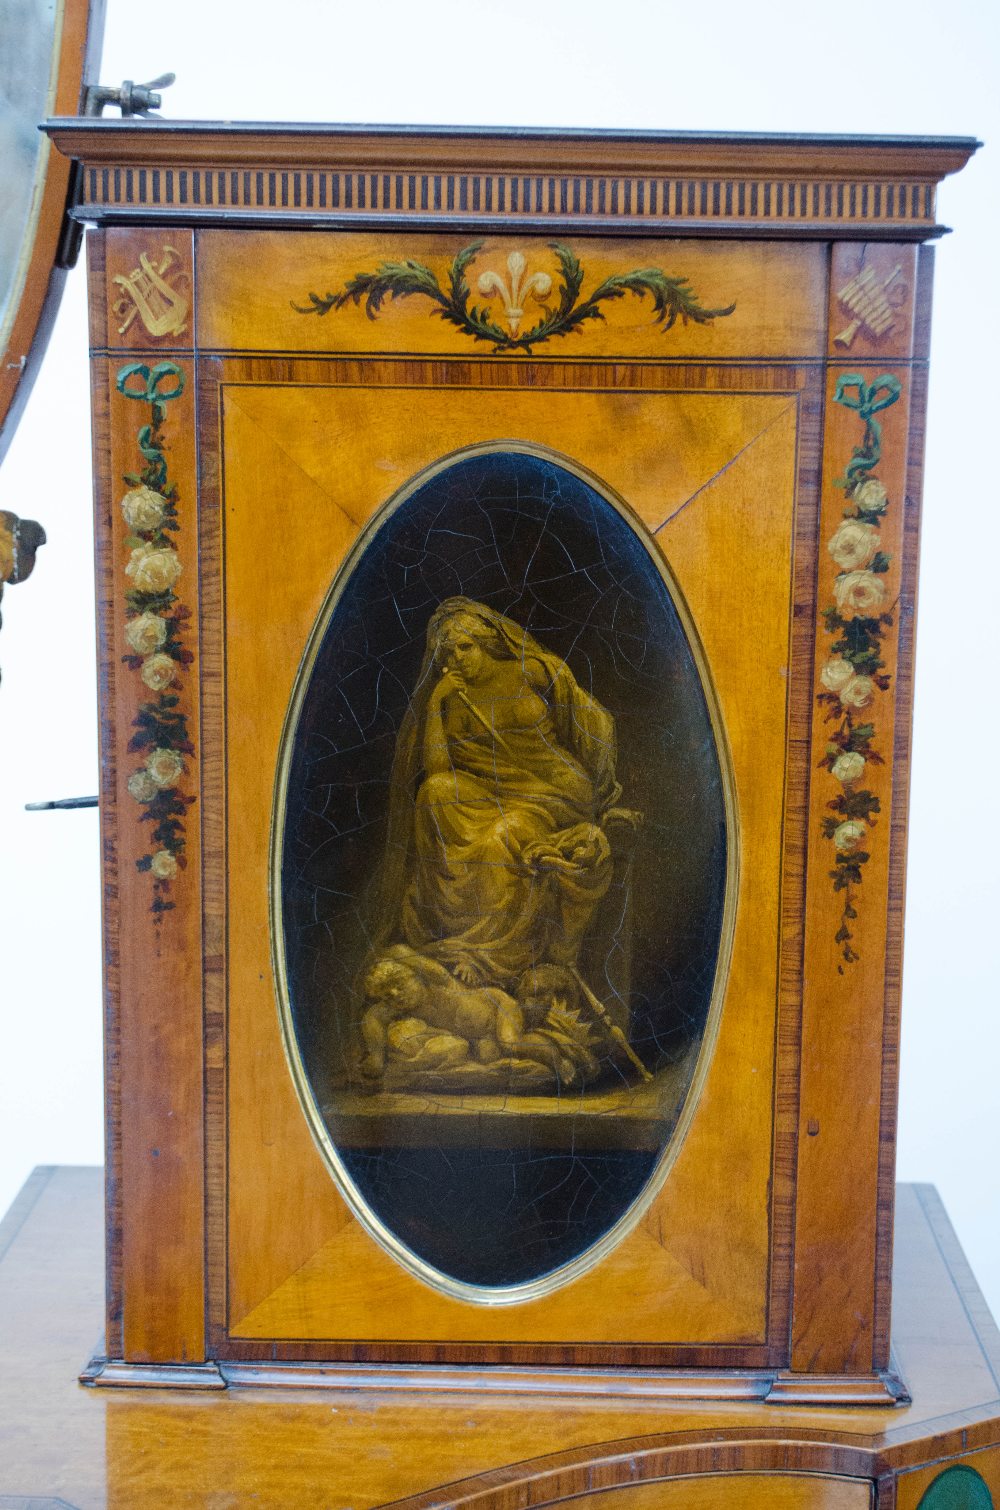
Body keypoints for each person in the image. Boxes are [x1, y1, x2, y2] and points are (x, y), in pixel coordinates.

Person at [372, 597, 623, 997]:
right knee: (433, 794)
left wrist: (600, 786)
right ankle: (460, 938)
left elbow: (586, 721)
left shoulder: (532, 672)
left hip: (550, 798)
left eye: (465, 647)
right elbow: (438, 772)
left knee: (501, 838)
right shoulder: (451, 698)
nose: (457, 658)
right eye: (447, 652)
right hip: (489, 794)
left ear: (486, 641)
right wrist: (437, 702)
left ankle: (490, 957)